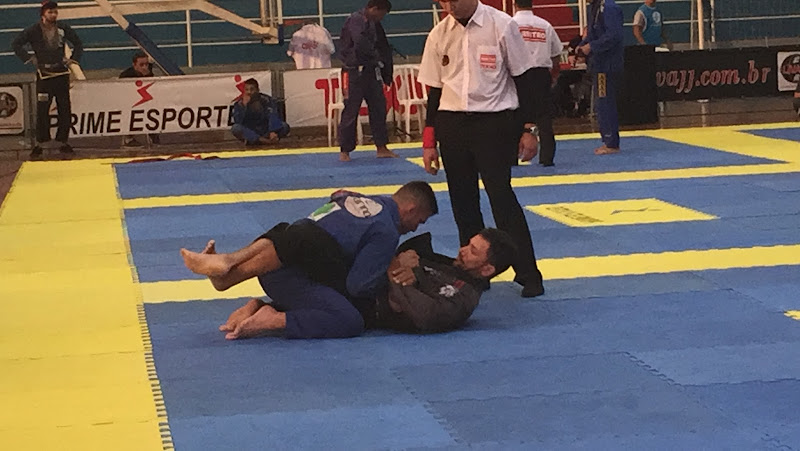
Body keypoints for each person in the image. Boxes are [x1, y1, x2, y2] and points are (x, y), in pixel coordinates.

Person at [417, 0, 546, 298]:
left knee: (502, 198)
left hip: (495, 123)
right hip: (452, 122)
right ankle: (473, 275)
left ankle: (528, 274)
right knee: (462, 202)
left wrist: (529, 129)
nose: (449, 6)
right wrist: (429, 141)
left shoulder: (502, 25)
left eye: (454, 0)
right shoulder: (438, 33)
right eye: (443, 1)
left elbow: (525, 81)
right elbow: (435, 92)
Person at [181, 181, 438, 315]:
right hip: (317, 257)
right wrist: (390, 269)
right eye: (419, 220)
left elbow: (338, 195)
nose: (415, 228)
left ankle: (229, 268)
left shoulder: (368, 199)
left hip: (311, 249)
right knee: (294, 233)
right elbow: (359, 285)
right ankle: (228, 269)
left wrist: (390, 268)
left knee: (296, 232)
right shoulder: (387, 230)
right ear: (410, 209)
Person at [218, 228, 517, 339]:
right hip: (358, 280)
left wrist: (398, 272)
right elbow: (400, 257)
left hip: (363, 301)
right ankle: (231, 267)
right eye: (467, 243)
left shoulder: (463, 298)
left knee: (347, 321)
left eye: (473, 251)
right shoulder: (444, 262)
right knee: (301, 234)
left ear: (487, 269)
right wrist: (399, 261)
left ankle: (271, 313)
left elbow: (425, 315)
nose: (463, 250)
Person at [12, 1, 83, 160]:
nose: (53, 15)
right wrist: (29, 58)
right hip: (44, 75)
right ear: (43, 13)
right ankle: (41, 143)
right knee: (42, 109)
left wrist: (73, 60)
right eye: (50, 12)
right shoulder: (33, 30)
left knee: (64, 108)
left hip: (61, 74)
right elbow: (16, 44)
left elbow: (78, 43)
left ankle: (63, 141)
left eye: (55, 12)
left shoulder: (63, 28)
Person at [337, 0, 398, 162]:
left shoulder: (373, 23)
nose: (381, 18)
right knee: (351, 109)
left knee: (378, 108)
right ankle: (345, 150)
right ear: (374, 9)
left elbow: (383, 46)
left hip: (371, 70)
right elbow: (360, 43)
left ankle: (381, 147)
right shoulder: (356, 20)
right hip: (353, 71)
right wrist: (376, 57)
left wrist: (386, 71)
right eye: (381, 14)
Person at [512, 0, 563, 166]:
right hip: (541, 74)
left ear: (515, 5)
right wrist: (553, 76)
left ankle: (512, 157)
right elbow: (556, 55)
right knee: (544, 117)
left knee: (514, 115)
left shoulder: (510, 24)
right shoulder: (545, 25)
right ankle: (547, 158)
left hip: (517, 73)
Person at [578, 0, 624, 155]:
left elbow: (614, 35)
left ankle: (611, 142)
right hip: (599, 63)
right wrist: (580, 47)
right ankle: (607, 139)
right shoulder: (594, 7)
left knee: (605, 102)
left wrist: (591, 47)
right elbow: (592, 35)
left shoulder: (609, 8)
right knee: (601, 102)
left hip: (607, 64)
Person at [230, 78, 290, 145]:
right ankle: (263, 141)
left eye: (252, 89)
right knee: (235, 128)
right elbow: (238, 122)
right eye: (246, 90)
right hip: (251, 131)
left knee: (285, 126)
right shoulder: (239, 103)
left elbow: (272, 115)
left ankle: (258, 141)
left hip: (266, 130)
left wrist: (272, 131)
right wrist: (244, 107)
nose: (249, 92)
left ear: (257, 90)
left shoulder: (266, 100)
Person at [119, 51, 160, 146]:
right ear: (134, 65)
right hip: (130, 101)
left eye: (146, 64)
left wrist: (147, 76)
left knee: (154, 109)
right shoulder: (125, 75)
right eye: (141, 65)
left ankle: (153, 135)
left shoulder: (149, 72)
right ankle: (128, 138)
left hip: (145, 101)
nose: (144, 67)